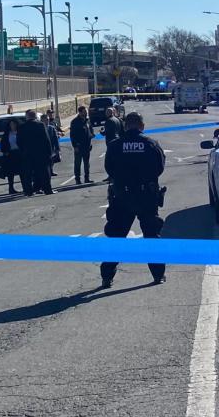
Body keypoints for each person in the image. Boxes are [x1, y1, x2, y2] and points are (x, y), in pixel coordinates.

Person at [100, 112, 167, 288]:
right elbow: (159, 167)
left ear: (125, 126)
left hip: (122, 196)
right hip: (146, 196)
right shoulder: (150, 144)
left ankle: (107, 276)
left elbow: (109, 168)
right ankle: (158, 275)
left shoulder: (115, 145)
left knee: (117, 237)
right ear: (142, 126)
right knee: (151, 236)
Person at [18, 109, 54, 195]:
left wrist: (23, 150)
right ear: (35, 116)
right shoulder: (40, 125)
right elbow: (46, 139)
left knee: (28, 174)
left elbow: (19, 141)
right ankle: (47, 190)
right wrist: (49, 152)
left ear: (27, 117)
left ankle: (28, 191)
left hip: (27, 154)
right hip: (40, 153)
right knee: (44, 173)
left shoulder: (22, 127)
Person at [69, 105, 93, 184]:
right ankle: (77, 179)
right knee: (77, 164)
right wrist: (75, 145)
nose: (86, 113)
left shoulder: (87, 120)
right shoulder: (75, 122)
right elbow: (72, 135)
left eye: (86, 111)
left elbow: (90, 130)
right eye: (84, 112)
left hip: (87, 146)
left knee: (87, 164)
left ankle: (87, 178)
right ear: (80, 112)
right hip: (79, 146)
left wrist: (91, 136)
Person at [0, 117, 23, 194]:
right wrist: (5, 151)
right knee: (10, 173)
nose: (13, 126)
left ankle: (25, 187)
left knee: (22, 172)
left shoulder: (20, 133)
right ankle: (11, 188)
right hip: (10, 155)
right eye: (11, 124)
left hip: (19, 154)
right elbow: (2, 144)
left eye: (14, 124)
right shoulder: (6, 134)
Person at [42, 112, 62, 177]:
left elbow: (55, 138)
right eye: (45, 120)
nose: (47, 121)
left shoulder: (51, 128)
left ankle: (51, 171)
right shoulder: (40, 128)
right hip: (43, 148)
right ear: (42, 121)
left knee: (51, 160)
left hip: (51, 147)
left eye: (47, 120)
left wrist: (57, 148)